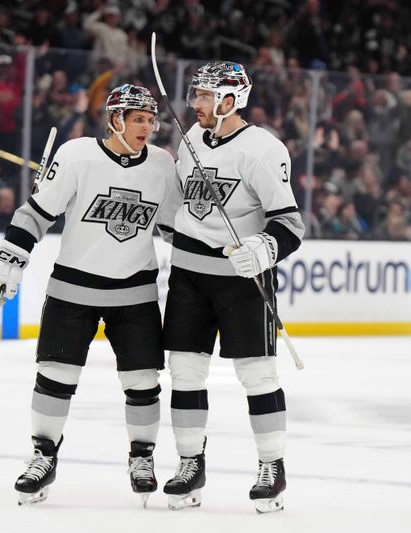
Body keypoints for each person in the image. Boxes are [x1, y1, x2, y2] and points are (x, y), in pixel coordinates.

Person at [0, 84, 176, 507]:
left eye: (149, 119)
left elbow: (174, 227)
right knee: (56, 376)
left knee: (143, 382)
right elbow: (38, 211)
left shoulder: (163, 165)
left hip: (135, 291)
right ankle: (43, 456)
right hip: (73, 287)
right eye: (136, 118)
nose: (145, 126)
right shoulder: (76, 155)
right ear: (115, 119)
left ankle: (142, 458)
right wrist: (10, 254)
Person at [157, 61, 305, 513]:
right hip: (187, 276)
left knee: (257, 376)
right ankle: (189, 464)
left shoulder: (262, 150)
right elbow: (183, 206)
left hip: (242, 280)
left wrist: (264, 247)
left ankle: (272, 467)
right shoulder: (189, 140)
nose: (194, 104)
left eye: (203, 96)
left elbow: (291, 224)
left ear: (229, 100)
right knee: (184, 372)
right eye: (195, 95)